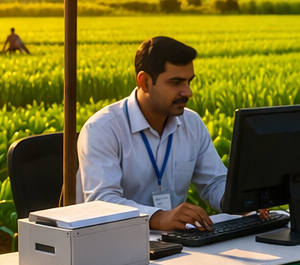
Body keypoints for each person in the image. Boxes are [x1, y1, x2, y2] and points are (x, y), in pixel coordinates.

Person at [78, 36, 228, 231]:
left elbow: (214, 182)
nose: (188, 92)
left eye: (189, 81)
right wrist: (158, 218)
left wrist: (241, 203)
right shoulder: (103, 129)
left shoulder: (192, 123)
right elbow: (102, 202)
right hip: (111, 244)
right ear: (145, 82)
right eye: (176, 83)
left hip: (176, 244)